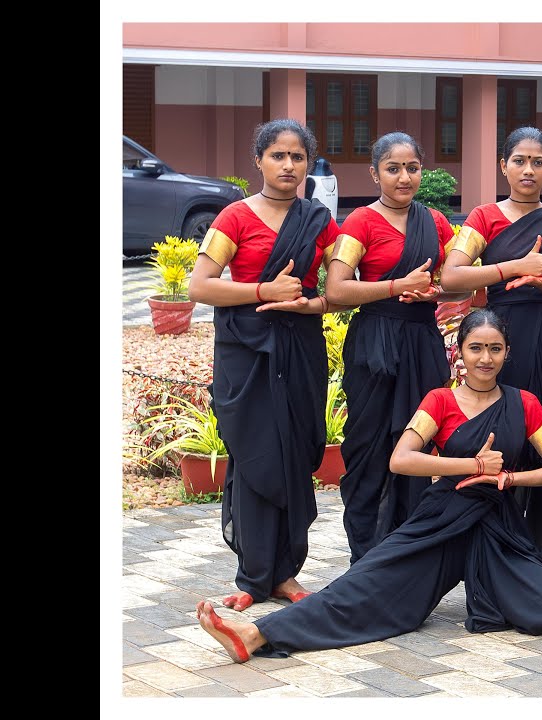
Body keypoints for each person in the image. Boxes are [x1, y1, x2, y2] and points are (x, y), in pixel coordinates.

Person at [193, 310, 542, 662]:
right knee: (366, 581)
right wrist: (473, 464)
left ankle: (494, 584)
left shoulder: (524, 402)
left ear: (507, 352)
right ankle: (256, 633)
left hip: (498, 526)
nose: (485, 358)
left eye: (495, 349)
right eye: (475, 347)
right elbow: (402, 459)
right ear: (459, 351)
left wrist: (509, 478)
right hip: (442, 518)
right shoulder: (440, 400)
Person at [188, 119, 345, 612]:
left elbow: (338, 289)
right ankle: (253, 576)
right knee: (257, 453)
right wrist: (263, 292)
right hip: (247, 353)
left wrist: (311, 305)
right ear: (258, 160)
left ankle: (286, 573)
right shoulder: (233, 217)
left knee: (297, 453)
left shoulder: (319, 221)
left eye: (298, 157)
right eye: (278, 155)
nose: (288, 165)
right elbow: (200, 286)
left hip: (299, 347)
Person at [440, 127, 542, 593]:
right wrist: (513, 269)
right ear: (503, 166)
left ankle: (540, 555)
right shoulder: (484, 217)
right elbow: (453, 277)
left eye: (537, 162)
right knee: (502, 445)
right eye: (519, 161)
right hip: (499, 347)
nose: (528, 170)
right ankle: (494, 553)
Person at [324, 132, 455, 564]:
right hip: (375, 344)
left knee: (418, 442)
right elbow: (338, 289)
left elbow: (457, 281)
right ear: (374, 172)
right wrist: (399, 286)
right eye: (393, 168)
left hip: (422, 342)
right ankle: (366, 554)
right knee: (370, 446)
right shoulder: (361, 221)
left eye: (412, 168)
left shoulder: (435, 221)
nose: (404, 177)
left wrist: (433, 293)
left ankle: (408, 551)